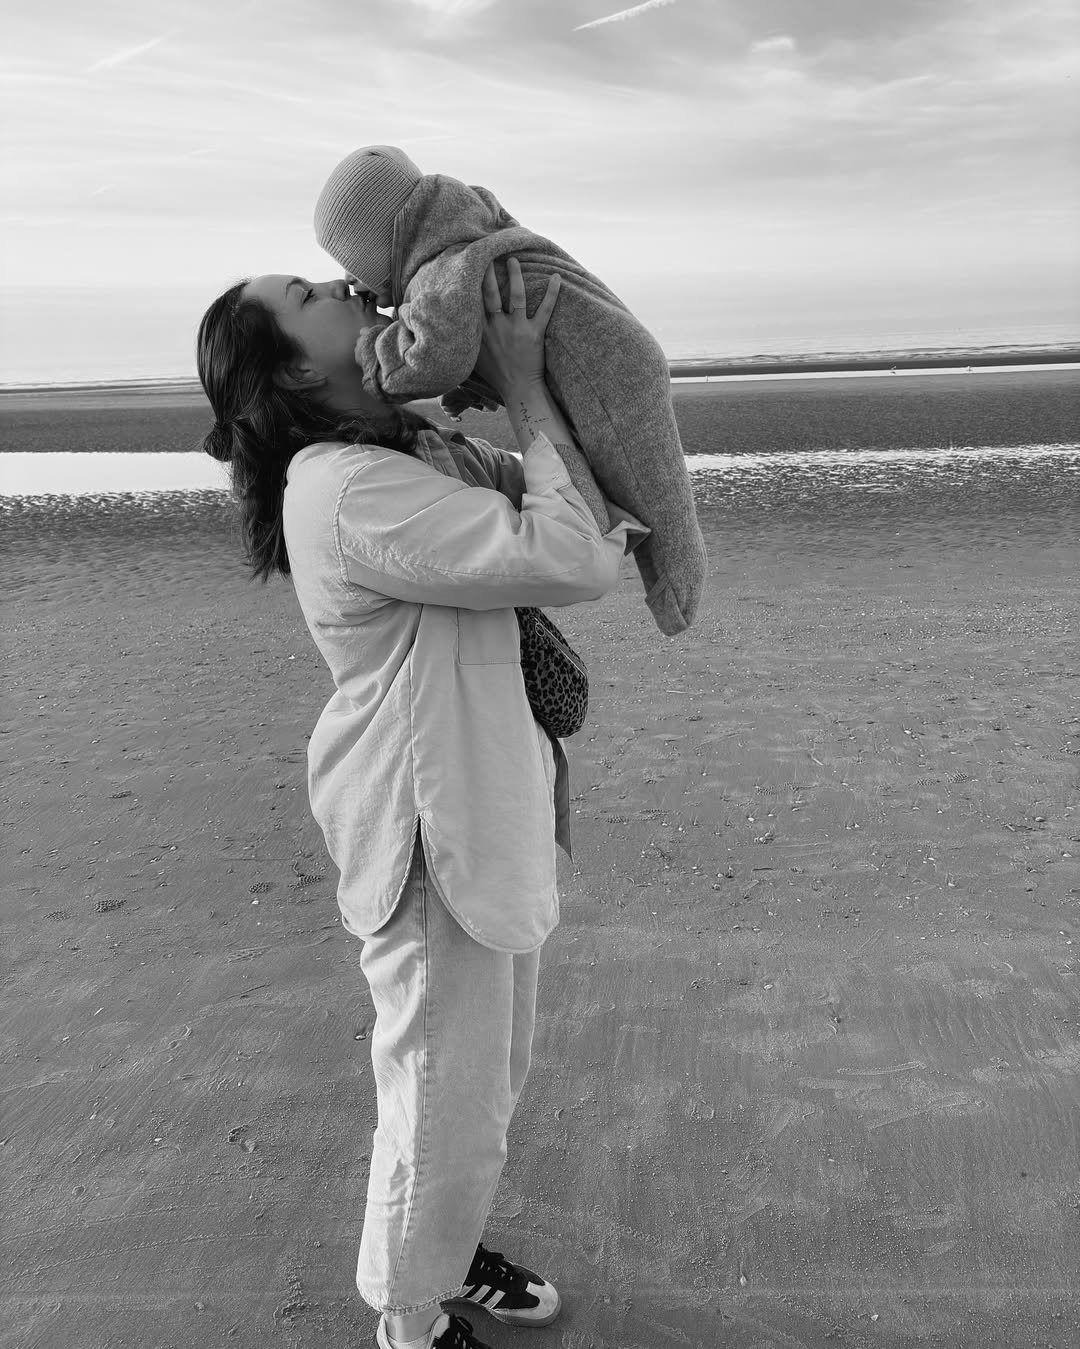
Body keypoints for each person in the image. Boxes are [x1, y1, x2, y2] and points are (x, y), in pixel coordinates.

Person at [196, 258, 647, 1349]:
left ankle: (445, 1251)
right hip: (426, 829)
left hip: (477, 805)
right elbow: (572, 553)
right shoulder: (349, 486)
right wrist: (526, 389)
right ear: (291, 375)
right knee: (442, 1095)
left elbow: (576, 488)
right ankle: (409, 1316)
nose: (346, 286)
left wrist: (504, 371)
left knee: (478, 1083)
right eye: (311, 298)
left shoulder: (416, 452)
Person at [313, 143, 707, 638]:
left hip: (607, 368)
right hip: (608, 357)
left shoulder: (441, 269)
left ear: (382, 241)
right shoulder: (465, 232)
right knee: (622, 486)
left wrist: (375, 353)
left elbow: (427, 359)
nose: (350, 280)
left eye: (354, 261)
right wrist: (474, 383)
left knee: (651, 493)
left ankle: (676, 599)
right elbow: (467, 335)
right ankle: (667, 585)